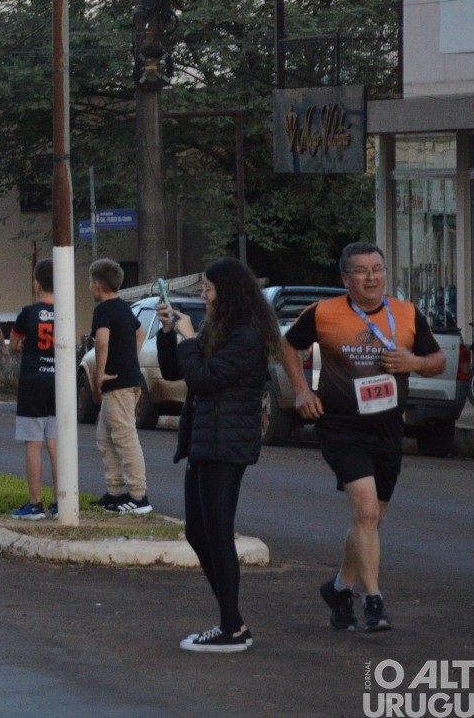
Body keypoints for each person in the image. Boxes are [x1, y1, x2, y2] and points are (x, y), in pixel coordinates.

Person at [282, 241, 444, 634]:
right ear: (345, 278)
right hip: (340, 425)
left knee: (371, 520)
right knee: (366, 512)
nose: (371, 277)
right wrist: (302, 391)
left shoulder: (406, 314)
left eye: (377, 269)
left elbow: (437, 361)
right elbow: (287, 345)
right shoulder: (323, 313)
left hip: (388, 427)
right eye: (361, 270)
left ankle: (339, 589)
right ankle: (374, 602)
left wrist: (414, 362)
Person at [157, 257, 279, 653]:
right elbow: (175, 372)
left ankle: (232, 627)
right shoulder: (220, 329)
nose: (204, 295)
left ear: (227, 292)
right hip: (205, 440)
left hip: (227, 445)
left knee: (219, 533)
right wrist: (166, 333)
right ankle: (233, 620)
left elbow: (204, 379)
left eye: (208, 288)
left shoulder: (246, 336)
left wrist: (190, 338)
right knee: (197, 531)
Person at [89, 259, 151, 513]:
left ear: (97, 285)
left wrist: (101, 373)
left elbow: (101, 342)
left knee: (125, 437)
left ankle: (138, 496)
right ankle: (115, 491)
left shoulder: (103, 310)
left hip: (117, 383)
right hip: (129, 378)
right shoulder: (124, 308)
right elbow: (140, 333)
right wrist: (130, 359)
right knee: (105, 437)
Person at [8, 260, 59, 520]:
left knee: (33, 443)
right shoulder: (64, 312)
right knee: (55, 443)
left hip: (33, 381)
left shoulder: (27, 314)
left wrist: (22, 345)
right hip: (58, 382)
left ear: (36, 283)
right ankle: (61, 502)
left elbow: (13, 344)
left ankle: (35, 504)